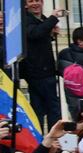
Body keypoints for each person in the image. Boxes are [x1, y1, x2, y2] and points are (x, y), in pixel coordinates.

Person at [21, 1, 67, 130]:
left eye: (38, 0)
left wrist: (51, 35)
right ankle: (51, 139)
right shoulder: (25, 19)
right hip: (38, 70)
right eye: (31, 1)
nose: (35, 3)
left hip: (44, 69)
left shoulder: (42, 20)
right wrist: (53, 18)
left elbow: (38, 40)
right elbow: (34, 34)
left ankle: (46, 141)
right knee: (50, 108)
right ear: (25, 5)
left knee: (41, 108)